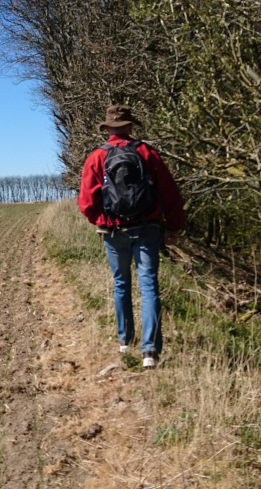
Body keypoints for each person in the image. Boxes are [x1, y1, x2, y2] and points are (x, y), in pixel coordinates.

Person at [78, 105, 185, 369]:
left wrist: (101, 221)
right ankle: (149, 351)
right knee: (149, 285)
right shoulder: (146, 152)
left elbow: (86, 201)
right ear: (130, 126)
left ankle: (125, 340)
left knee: (121, 284)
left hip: (113, 231)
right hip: (147, 228)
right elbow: (170, 192)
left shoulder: (96, 157)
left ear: (107, 129)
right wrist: (173, 227)